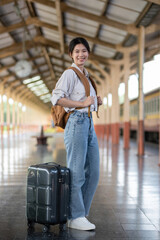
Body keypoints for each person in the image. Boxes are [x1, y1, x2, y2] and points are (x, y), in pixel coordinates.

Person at [51, 37, 102, 231]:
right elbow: (56, 98)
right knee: (77, 172)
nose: (81, 54)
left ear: (88, 53)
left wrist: (96, 101)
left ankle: (81, 212)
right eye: (77, 51)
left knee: (94, 172)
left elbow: (85, 101)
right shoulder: (69, 73)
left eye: (84, 51)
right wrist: (82, 104)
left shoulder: (86, 75)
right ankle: (75, 215)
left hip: (88, 123)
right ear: (71, 54)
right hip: (76, 123)